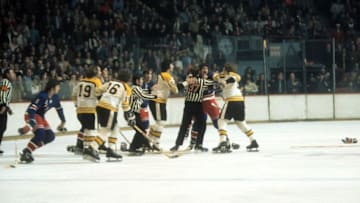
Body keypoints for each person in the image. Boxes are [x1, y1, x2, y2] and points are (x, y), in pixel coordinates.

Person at [213, 63, 259, 153]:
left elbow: (232, 78)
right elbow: (234, 77)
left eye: (223, 70)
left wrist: (222, 81)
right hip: (240, 101)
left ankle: (223, 142)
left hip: (231, 101)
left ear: (226, 70)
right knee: (240, 122)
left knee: (221, 121)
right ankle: (253, 140)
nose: (222, 71)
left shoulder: (229, 76)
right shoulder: (229, 75)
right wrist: (218, 77)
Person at [18, 79, 66, 163]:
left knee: (50, 136)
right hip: (31, 114)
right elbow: (32, 108)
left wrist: (63, 121)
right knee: (41, 134)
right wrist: (32, 120)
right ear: (52, 88)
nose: (59, 88)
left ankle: (28, 151)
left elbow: (59, 109)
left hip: (40, 116)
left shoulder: (55, 97)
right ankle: (27, 152)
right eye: (58, 86)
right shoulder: (42, 96)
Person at [170, 66, 213, 151]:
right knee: (202, 125)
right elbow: (213, 86)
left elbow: (179, 87)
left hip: (188, 104)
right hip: (198, 105)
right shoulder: (202, 81)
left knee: (184, 125)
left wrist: (186, 81)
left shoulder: (189, 80)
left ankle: (177, 145)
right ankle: (199, 144)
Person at [94, 69, 134, 160]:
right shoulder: (126, 88)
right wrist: (130, 117)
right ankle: (92, 147)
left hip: (100, 106)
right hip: (110, 108)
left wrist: (102, 98)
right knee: (106, 130)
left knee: (115, 128)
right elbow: (125, 105)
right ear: (128, 79)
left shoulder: (111, 83)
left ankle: (111, 149)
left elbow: (97, 90)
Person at [67, 66, 102, 154]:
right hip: (90, 110)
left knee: (85, 127)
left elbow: (74, 94)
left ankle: (81, 145)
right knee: (90, 130)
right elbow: (100, 95)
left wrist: (76, 103)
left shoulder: (81, 82)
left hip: (79, 111)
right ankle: (88, 148)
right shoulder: (96, 81)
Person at [148, 60, 179, 149]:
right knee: (160, 122)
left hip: (159, 100)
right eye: (172, 64)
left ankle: (149, 139)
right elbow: (175, 90)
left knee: (161, 122)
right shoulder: (166, 75)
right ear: (168, 66)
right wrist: (186, 83)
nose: (173, 65)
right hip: (157, 100)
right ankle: (155, 143)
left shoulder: (164, 75)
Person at [128, 73, 158, 155]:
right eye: (141, 79)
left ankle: (144, 144)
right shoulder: (135, 88)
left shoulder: (138, 88)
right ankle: (133, 147)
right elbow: (143, 97)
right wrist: (154, 96)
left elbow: (144, 95)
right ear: (137, 81)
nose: (142, 81)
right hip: (134, 112)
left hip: (139, 112)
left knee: (143, 129)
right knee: (141, 131)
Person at [0, 68, 16, 154]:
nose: (14, 74)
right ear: (7, 74)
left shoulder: (7, 82)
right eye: (12, 73)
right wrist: (3, 106)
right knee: (1, 127)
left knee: (2, 128)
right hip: (1, 106)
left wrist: (7, 108)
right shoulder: (5, 82)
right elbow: (2, 94)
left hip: (3, 106)